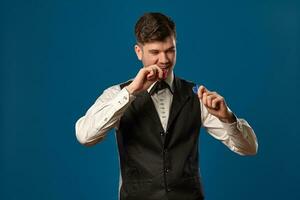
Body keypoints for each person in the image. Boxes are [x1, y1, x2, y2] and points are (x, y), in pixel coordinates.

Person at [75, 12, 258, 200]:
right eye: (155, 52)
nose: (164, 60)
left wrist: (227, 117)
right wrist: (130, 93)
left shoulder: (197, 95)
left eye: (170, 50)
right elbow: (85, 136)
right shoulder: (117, 95)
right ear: (139, 52)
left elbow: (249, 148)